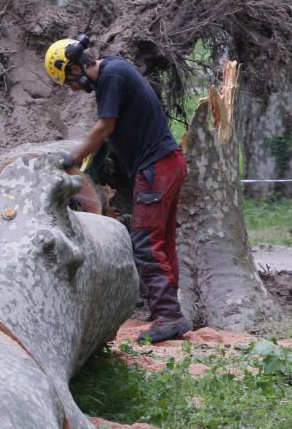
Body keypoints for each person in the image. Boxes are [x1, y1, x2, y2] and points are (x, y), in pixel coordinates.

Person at [44, 35, 190, 343]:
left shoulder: (111, 75)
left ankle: (169, 315)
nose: (71, 88)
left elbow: (104, 126)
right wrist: (85, 171)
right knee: (161, 239)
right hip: (166, 164)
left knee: (146, 241)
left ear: (74, 67)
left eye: (67, 80)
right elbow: (109, 137)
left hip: (157, 168)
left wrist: (72, 157)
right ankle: (167, 310)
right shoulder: (114, 73)